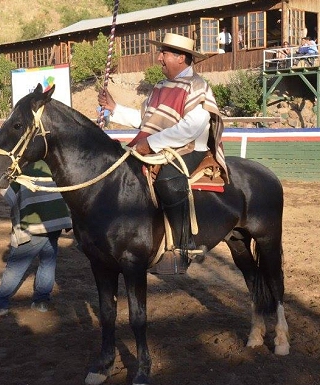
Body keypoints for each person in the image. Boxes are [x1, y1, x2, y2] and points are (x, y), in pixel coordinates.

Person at [97, 32, 228, 275]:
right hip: (160, 146)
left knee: (167, 180)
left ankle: (183, 245)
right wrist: (114, 109)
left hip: (190, 148)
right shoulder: (159, 87)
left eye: (164, 53)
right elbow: (147, 122)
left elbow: (192, 127)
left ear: (180, 58)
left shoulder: (198, 86)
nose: (159, 58)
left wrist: (152, 143)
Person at [0, 161, 72, 316]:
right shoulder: (54, 166)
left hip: (35, 226)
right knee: (47, 262)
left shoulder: (23, 169)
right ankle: (41, 301)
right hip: (56, 224)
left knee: (15, 267)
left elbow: (9, 197)